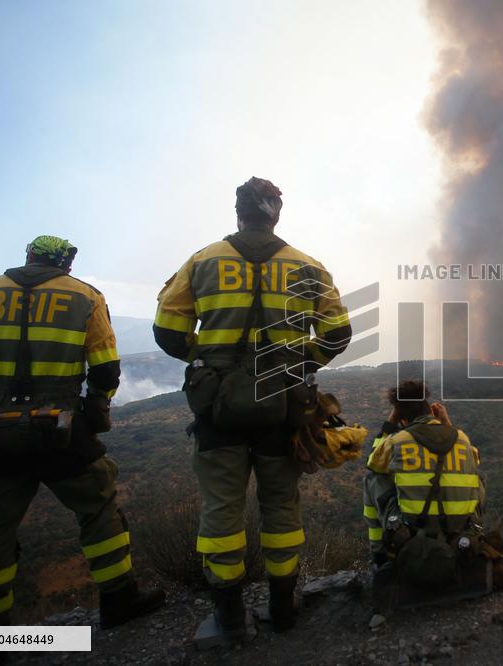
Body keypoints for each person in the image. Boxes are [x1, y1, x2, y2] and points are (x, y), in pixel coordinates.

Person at [0, 236, 165, 637]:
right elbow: (105, 369)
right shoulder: (84, 297)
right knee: (98, 507)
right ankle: (119, 599)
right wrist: (97, 409)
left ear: (29, 256)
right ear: (68, 263)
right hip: (60, 429)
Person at [154, 177, 351, 639]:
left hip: (218, 410)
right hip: (284, 409)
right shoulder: (308, 266)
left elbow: (166, 331)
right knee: (281, 504)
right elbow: (338, 334)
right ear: (275, 215)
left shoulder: (203, 261)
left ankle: (228, 619)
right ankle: (283, 611)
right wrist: (300, 365)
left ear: (239, 211)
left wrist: (206, 362)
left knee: (221, 509)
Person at [362, 380, 503, 599]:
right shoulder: (461, 438)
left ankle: (379, 556)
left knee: (373, 478)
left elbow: (373, 463)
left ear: (402, 417)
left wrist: (390, 423)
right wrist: (447, 423)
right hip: (460, 539)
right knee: (478, 476)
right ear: (430, 410)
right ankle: (474, 531)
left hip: (413, 538)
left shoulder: (396, 440)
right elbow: (472, 459)